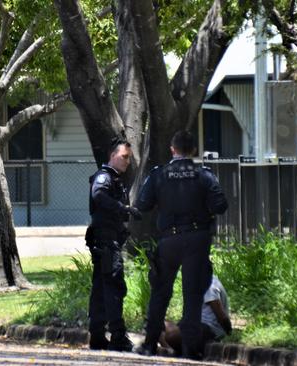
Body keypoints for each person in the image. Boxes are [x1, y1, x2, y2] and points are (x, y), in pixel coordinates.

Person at [133, 130, 228, 359]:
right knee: (193, 296)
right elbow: (220, 205)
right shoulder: (204, 175)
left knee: (160, 293)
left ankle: (149, 345)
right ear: (194, 150)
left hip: (169, 240)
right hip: (197, 239)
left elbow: (142, 205)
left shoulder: (159, 175)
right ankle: (190, 349)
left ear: (172, 149)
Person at [86, 138, 142, 352]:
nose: (127, 161)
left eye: (129, 157)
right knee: (114, 287)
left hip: (108, 240)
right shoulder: (104, 177)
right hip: (106, 241)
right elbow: (99, 195)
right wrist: (123, 209)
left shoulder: (114, 178)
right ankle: (118, 337)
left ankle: (98, 336)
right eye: (124, 157)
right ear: (112, 155)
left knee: (102, 287)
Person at [159, 275, 232, 356]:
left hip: (208, 329)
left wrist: (228, 332)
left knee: (171, 336)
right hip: (195, 325)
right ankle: (172, 349)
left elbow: (221, 316)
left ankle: (176, 350)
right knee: (156, 323)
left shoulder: (209, 284)